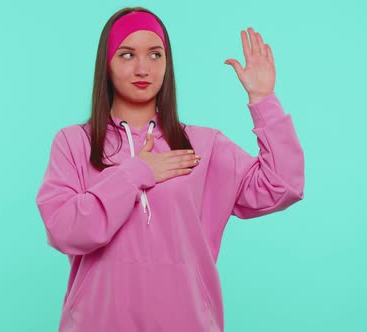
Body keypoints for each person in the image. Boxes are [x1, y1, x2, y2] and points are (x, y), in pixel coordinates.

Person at [35, 6, 304, 332]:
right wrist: (135, 173)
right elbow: (64, 229)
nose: (142, 68)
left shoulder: (204, 145)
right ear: (106, 66)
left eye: (155, 55)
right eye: (126, 54)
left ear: (167, 64)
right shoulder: (74, 143)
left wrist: (263, 100)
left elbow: (282, 186)